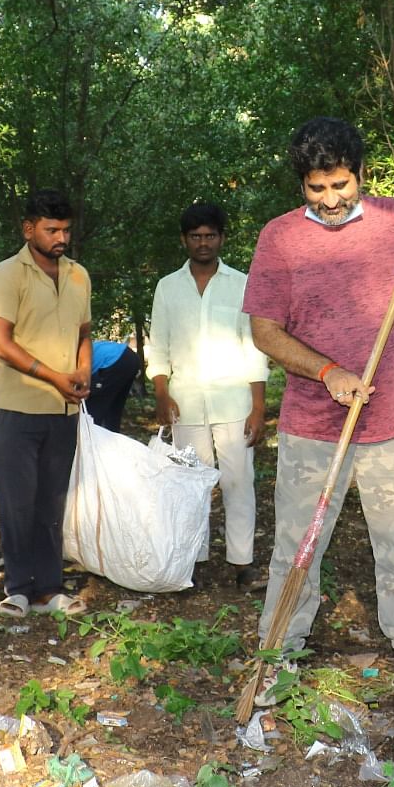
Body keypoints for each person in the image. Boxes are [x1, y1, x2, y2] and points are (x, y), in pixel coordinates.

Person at [244, 116, 394, 704]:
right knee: (297, 545)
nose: (331, 199)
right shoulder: (281, 237)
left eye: (341, 185)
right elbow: (265, 331)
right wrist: (328, 372)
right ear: (301, 185)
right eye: (317, 189)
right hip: (311, 426)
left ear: (361, 174)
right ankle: (277, 655)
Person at [147, 202, 270, 590]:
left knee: (238, 481)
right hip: (185, 403)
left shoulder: (242, 283)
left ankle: (242, 564)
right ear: (185, 240)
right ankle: (192, 561)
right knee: (191, 485)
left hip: (234, 402)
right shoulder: (168, 287)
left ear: (222, 238)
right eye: (196, 236)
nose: (203, 243)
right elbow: (159, 347)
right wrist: (162, 394)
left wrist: (259, 407)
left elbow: (254, 347)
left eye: (210, 235)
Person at [0, 190, 92, 618]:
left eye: (66, 230)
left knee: (53, 501)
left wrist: (84, 372)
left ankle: (49, 589)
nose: (60, 237)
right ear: (29, 229)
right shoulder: (6, 275)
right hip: (17, 407)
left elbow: (84, 331)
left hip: (64, 410)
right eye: (51, 230)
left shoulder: (79, 275)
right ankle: (18, 588)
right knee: (17, 500)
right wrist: (55, 377)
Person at [82, 339, 141, 434]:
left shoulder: (71, 359)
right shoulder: (84, 346)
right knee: (113, 411)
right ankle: (111, 441)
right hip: (129, 357)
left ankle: (92, 441)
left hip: (115, 361)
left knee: (91, 414)